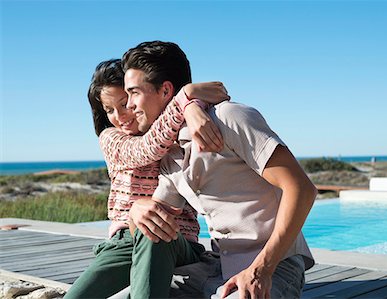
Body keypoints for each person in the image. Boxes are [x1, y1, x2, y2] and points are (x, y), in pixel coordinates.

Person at [108, 40, 317, 298]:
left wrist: (260, 269)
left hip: (272, 266)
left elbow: (302, 188)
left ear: (165, 90)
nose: (128, 105)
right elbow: (157, 218)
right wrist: (137, 211)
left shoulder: (230, 118)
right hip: (214, 265)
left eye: (134, 93)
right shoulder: (170, 155)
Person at [65, 59, 229, 298]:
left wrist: (191, 104)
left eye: (124, 103)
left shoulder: (176, 129)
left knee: (152, 222)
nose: (120, 116)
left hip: (179, 242)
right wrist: (185, 97)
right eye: (109, 110)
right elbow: (146, 148)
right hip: (124, 243)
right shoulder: (111, 138)